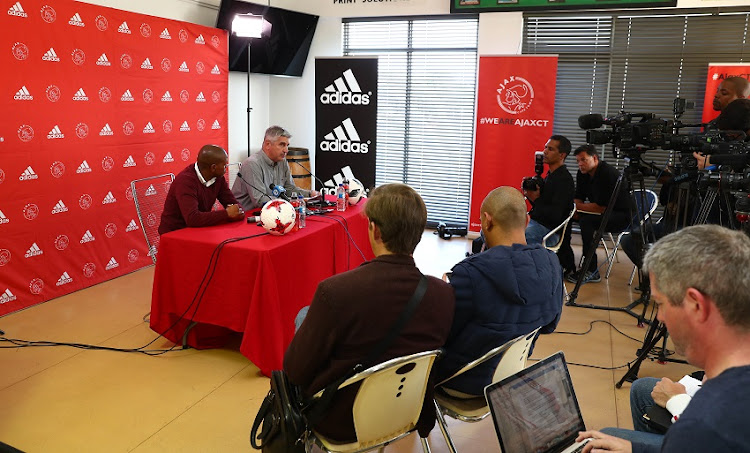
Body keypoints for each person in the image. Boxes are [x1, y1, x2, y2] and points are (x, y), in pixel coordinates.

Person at [283, 183, 455, 443]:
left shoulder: (336, 292)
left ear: (374, 229)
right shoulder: (443, 294)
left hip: (341, 421)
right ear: (419, 233)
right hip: (409, 410)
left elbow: (294, 372)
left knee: (303, 317)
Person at [577, 224, 750, 452]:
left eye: (660, 304)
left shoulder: (704, 427)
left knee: (605, 437)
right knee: (641, 393)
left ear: (696, 305)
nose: (659, 317)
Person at [434, 186, 563, 396]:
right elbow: (549, 326)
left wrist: (443, 296)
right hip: (511, 376)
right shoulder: (552, 263)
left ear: (487, 221)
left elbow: (442, 337)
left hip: (462, 382)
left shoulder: (469, 274)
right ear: (527, 222)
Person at [567, 144, 630, 284]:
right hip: (601, 212)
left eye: (583, 160)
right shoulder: (583, 173)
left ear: (594, 158)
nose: (580, 164)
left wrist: (578, 207)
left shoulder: (608, 173)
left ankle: (591, 269)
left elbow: (602, 207)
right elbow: (579, 195)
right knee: (568, 216)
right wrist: (575, 210)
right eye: (578, 161)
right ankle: (566, 260)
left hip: (621, 215)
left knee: (586, 222)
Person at [158, 144, 244, 235]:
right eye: (224, 165)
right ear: (213, 168)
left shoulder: (218, 178)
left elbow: (233, 204)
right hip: (175, 233)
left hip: (199, 230)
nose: (226, 169)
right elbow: (192, 218)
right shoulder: (185, 182)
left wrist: (237, 211)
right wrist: (226, 214)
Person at [232, 126, 318, 211]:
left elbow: (289, 189)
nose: (286, 150)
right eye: (282, 145)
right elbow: (260, 201)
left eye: (287, 145)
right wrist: (290, 201)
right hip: (248, 217)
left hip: (274, 212)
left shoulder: (282, 161)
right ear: (268, 144)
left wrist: (310, 194)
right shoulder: (252, 164)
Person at [523, 135, 576, 273]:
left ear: (561, 155)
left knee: (512, 237)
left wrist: (535, 199)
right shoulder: (550, 175)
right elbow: (541, 207)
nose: (545, 151)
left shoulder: (564, 180)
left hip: (550, 231)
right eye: (545, 147)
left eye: (550, 149)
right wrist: (531, 195)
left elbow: (554, 216)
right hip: (538, 223)